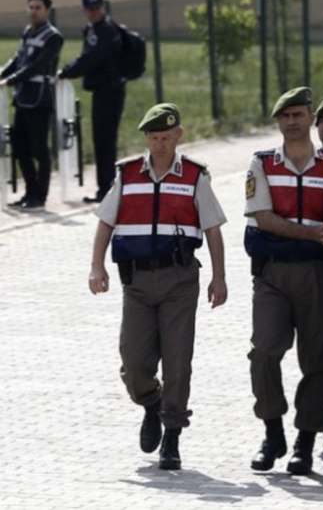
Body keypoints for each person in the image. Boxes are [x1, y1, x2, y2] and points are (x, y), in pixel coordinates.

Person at [87, 103, 228, 470]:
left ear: (178, 135)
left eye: (166, 137)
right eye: (154, 137)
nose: (160, 144)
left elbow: (212, 228)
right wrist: (96, 266)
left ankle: (172, 436)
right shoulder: (128, 174)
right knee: (134, 363)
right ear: (146, 138)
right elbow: (105, 221)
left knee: (178, 362)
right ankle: (151, 403)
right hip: (136, 281)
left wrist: (219, 276)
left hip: (180, 279)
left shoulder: (195, 176)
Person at [244, 87, 323, 475]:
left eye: (299, 115)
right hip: (273, 272)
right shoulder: (262, 163)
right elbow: (263, 217)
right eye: (284, 116)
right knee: (265, 352)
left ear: (312, 120)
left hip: (319, 274)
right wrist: (313, 234)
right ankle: (272, 431)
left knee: (318, 360)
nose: (291, 122)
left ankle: (305, 440)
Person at [57, 0, 125, 203]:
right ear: (85, 10)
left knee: (105, 140)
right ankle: (106, 188)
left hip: (110, 90)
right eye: (91, 8)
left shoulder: (104, 30)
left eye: (98, 7)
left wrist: (66, 71)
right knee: (102, 139)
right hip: (104, 90)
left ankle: (107, 190)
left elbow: (91, 59)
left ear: (103, 7)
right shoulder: (96, 29)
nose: (95, 12)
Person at [0, 0, 62, 210]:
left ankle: (40, 196)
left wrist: (10, 80)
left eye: (38, 7)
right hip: (22, 97)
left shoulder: (54, 37)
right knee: (20, 147)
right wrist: (3, 74)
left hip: (39, 99)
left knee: (39, 149)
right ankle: (29, 191)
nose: (33, 11)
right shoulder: (27, 32)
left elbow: (37, 65)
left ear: (47, 11)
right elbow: (18, 59)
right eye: (31, 7)